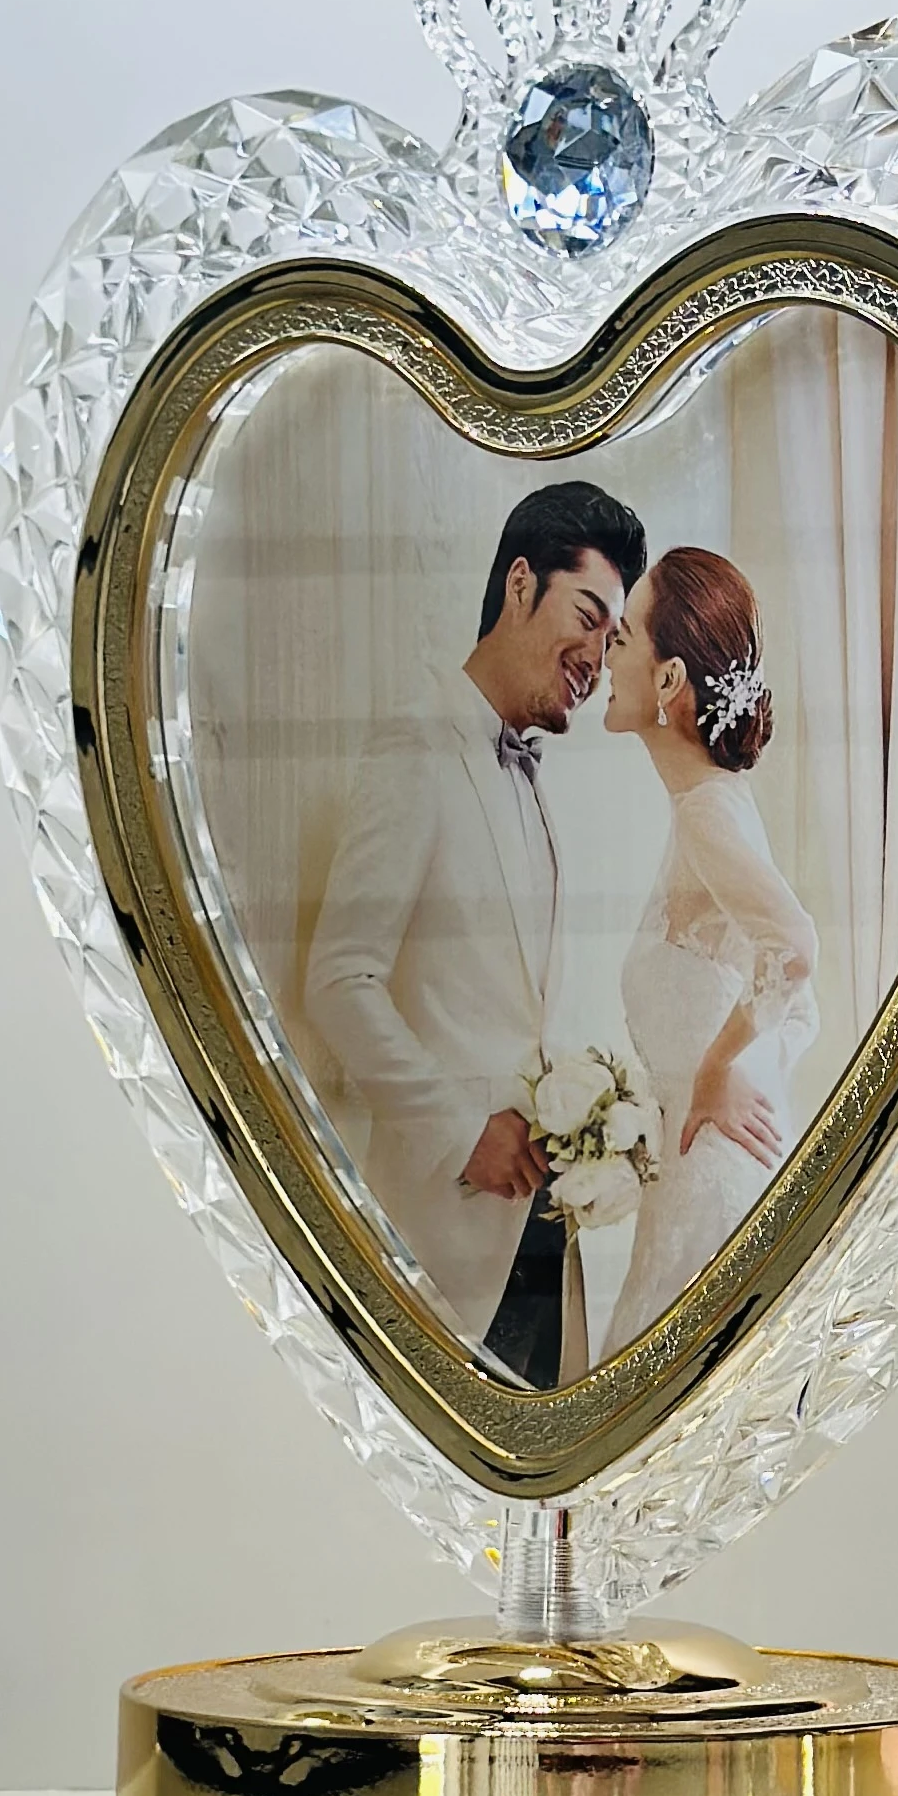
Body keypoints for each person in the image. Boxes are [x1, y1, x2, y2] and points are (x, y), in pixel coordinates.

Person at [305, 481, 647, 1387]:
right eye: (588, 617)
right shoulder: (415, 746)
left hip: (545, 1230)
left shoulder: (536, 781)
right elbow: (339, 981)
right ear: (521, 584)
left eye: (614, 639)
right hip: (444, 1232)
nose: (597, 658)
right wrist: (462, 1130)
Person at [599, 547, 817, 1356]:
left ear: (668, 680)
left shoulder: (708, 815)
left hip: (712, 1192)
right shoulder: (711, 805)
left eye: (623, 637)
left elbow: (794, 949)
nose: (605, 654)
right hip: (692, 1181)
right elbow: (799, 1007)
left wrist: (717, 1071)